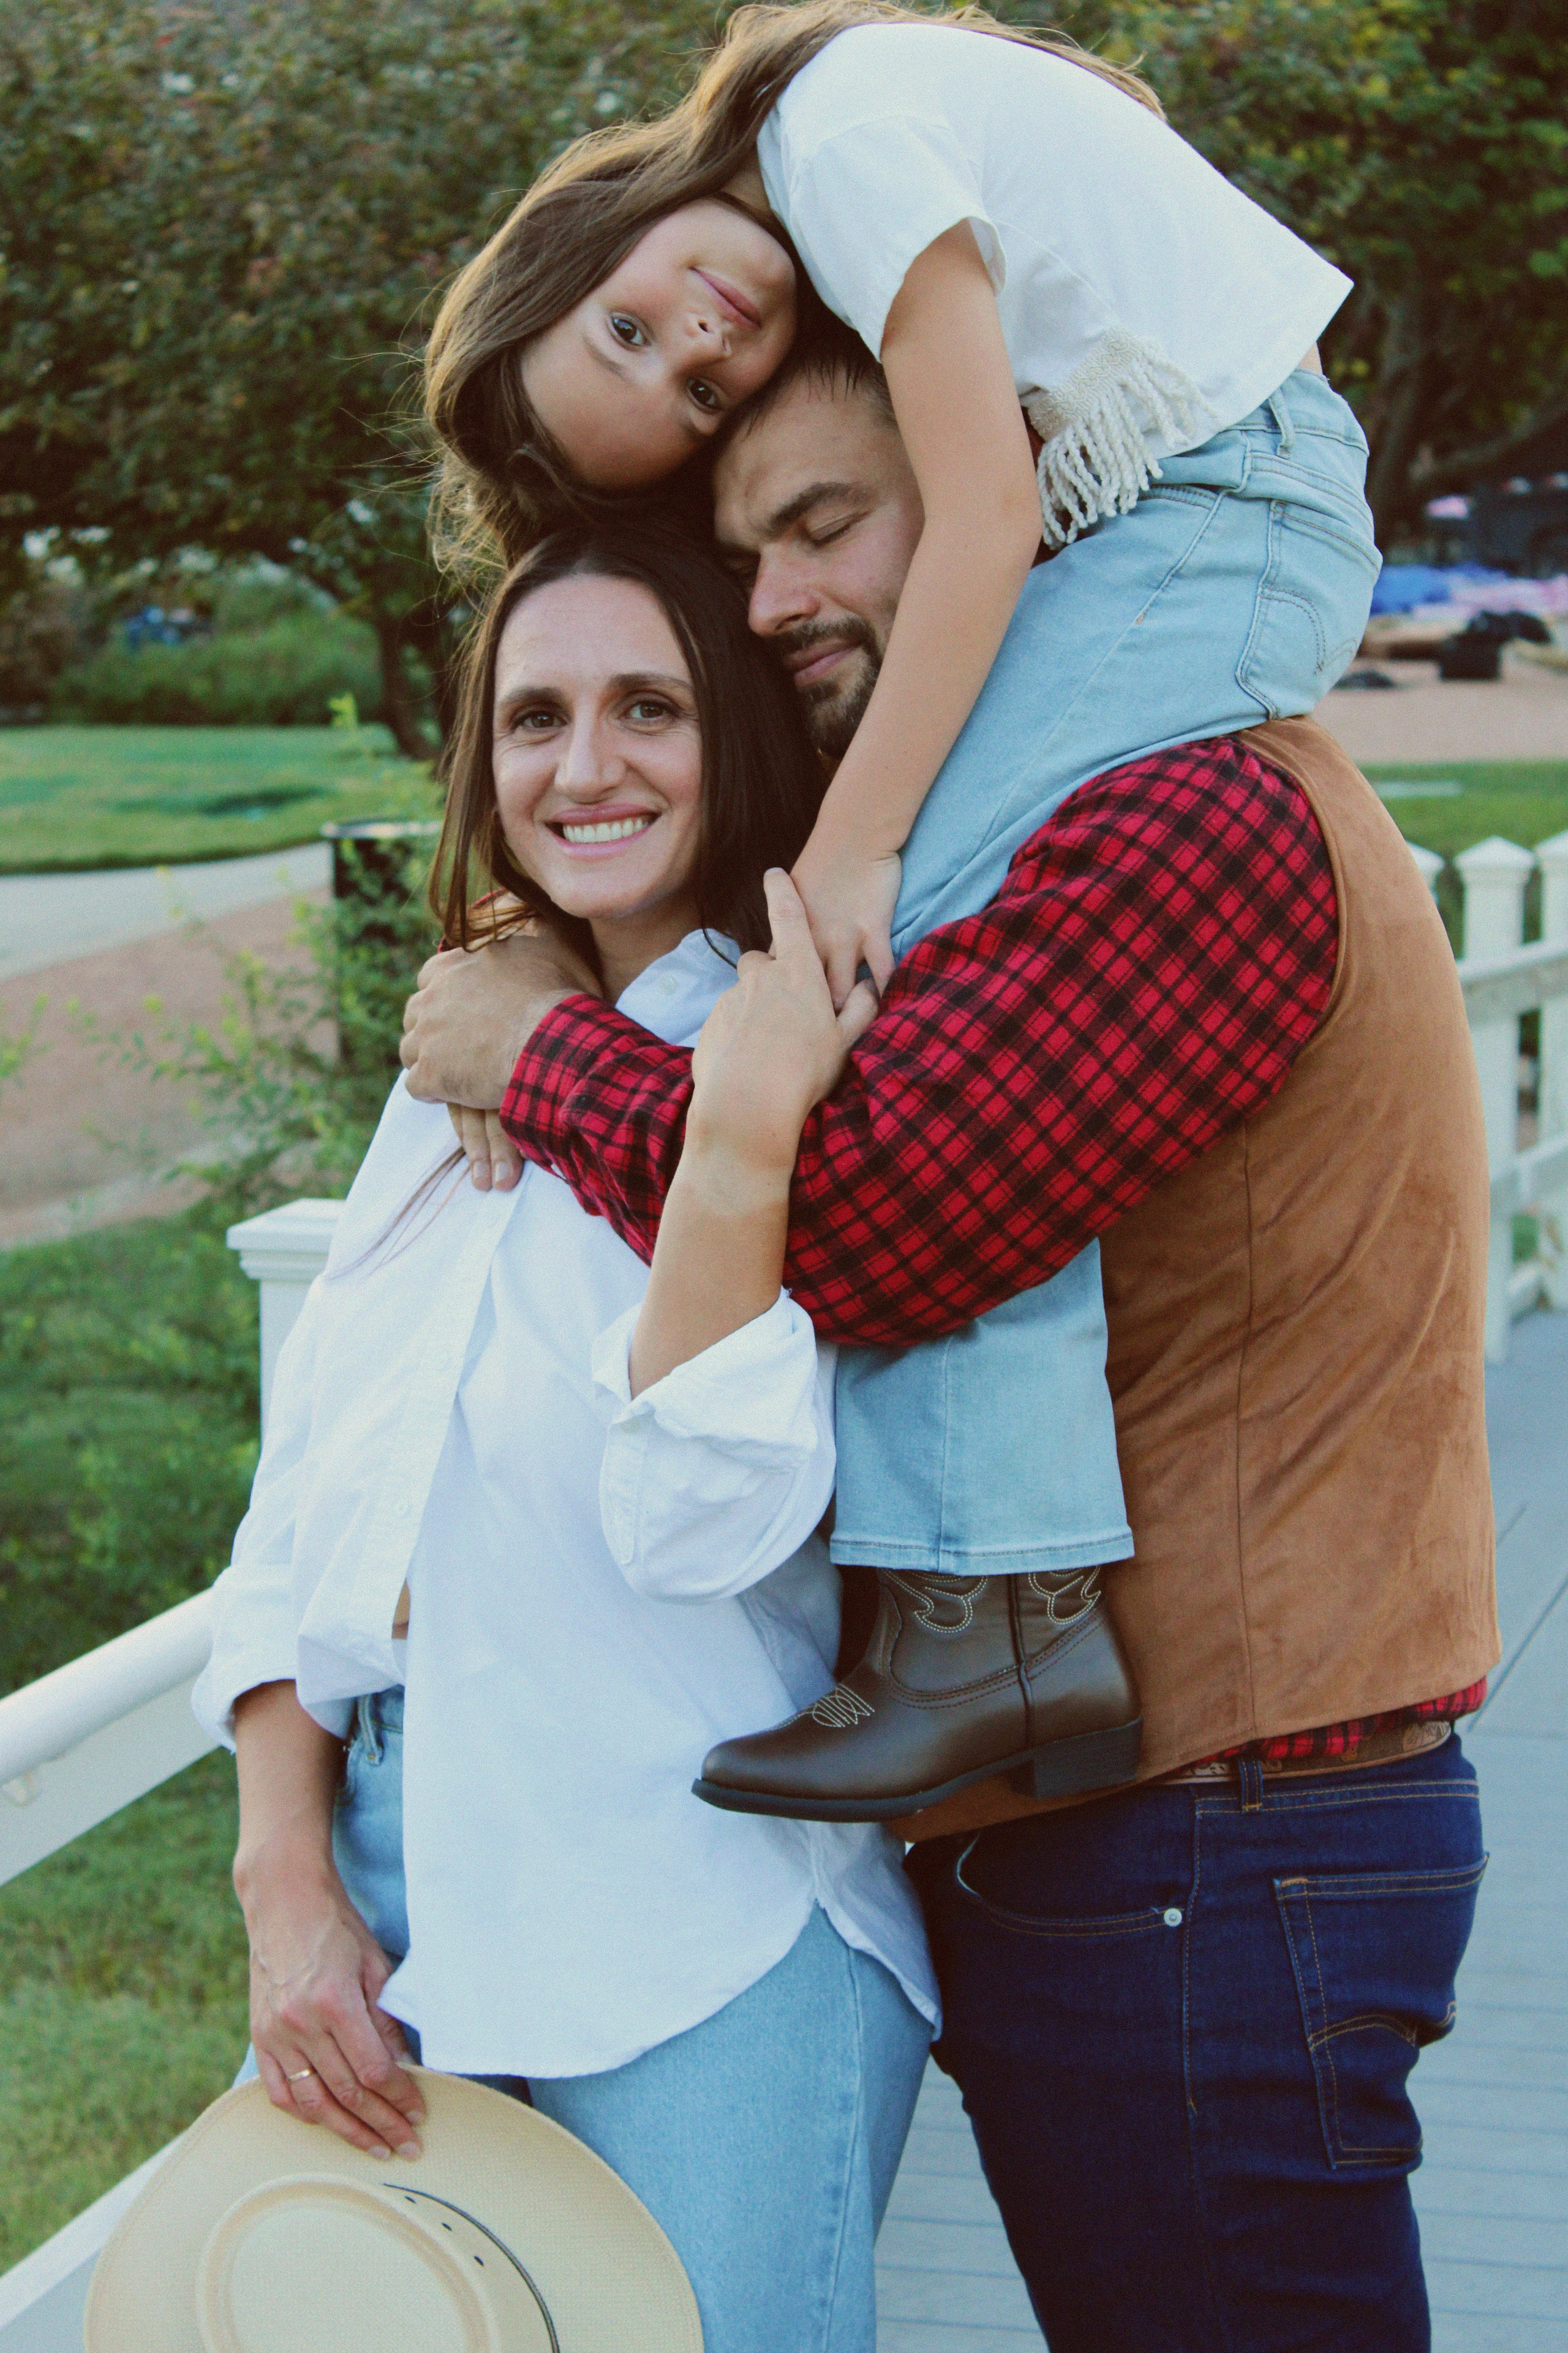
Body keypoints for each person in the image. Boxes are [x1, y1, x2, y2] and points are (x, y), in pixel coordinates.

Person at [400, 346, 1499, 2351]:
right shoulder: (1028, 833)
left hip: (1216, 1829)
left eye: (830, 524)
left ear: (1021, 505)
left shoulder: (1189, 812)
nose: (777, 601)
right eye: (747, 558)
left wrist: (544, 1052)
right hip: (1146, 1834)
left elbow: (872, 1226)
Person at [419, 0, 1383, 1815]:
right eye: (692, 403)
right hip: (1218, 496)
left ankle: (988, 1616)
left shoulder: (839, 128)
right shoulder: (851, 157)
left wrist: (850, 864)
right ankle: (993, 1606)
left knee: (919, 948)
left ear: (599, 214)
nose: (699, 342)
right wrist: (554, 957)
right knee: (917, 939)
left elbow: (990, 507)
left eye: (637, 324)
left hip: (1233, 507)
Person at [192, 530, 937, 2353]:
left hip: (693, 1920)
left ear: (734, 732)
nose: (583, 764)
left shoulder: (792, 1044)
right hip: (386, 1900)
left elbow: (709, 1518)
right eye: (534, 715)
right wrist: (284, 1882)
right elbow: (309, 1513)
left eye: (647, 706)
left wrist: (725, 1133)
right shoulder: (450, 1059)